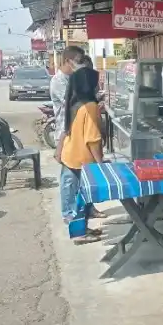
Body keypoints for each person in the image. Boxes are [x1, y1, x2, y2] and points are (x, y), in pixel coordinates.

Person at [59, 67, 105, 244]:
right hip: (82, 158)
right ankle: (79, 234)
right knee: (81, 198)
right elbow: (92, 139)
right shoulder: (90, 106)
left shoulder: (74, 101)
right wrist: (100, 164)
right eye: (96, 82)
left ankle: (80, 229)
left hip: (70, 155)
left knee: (72, 198)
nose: (98, 86)